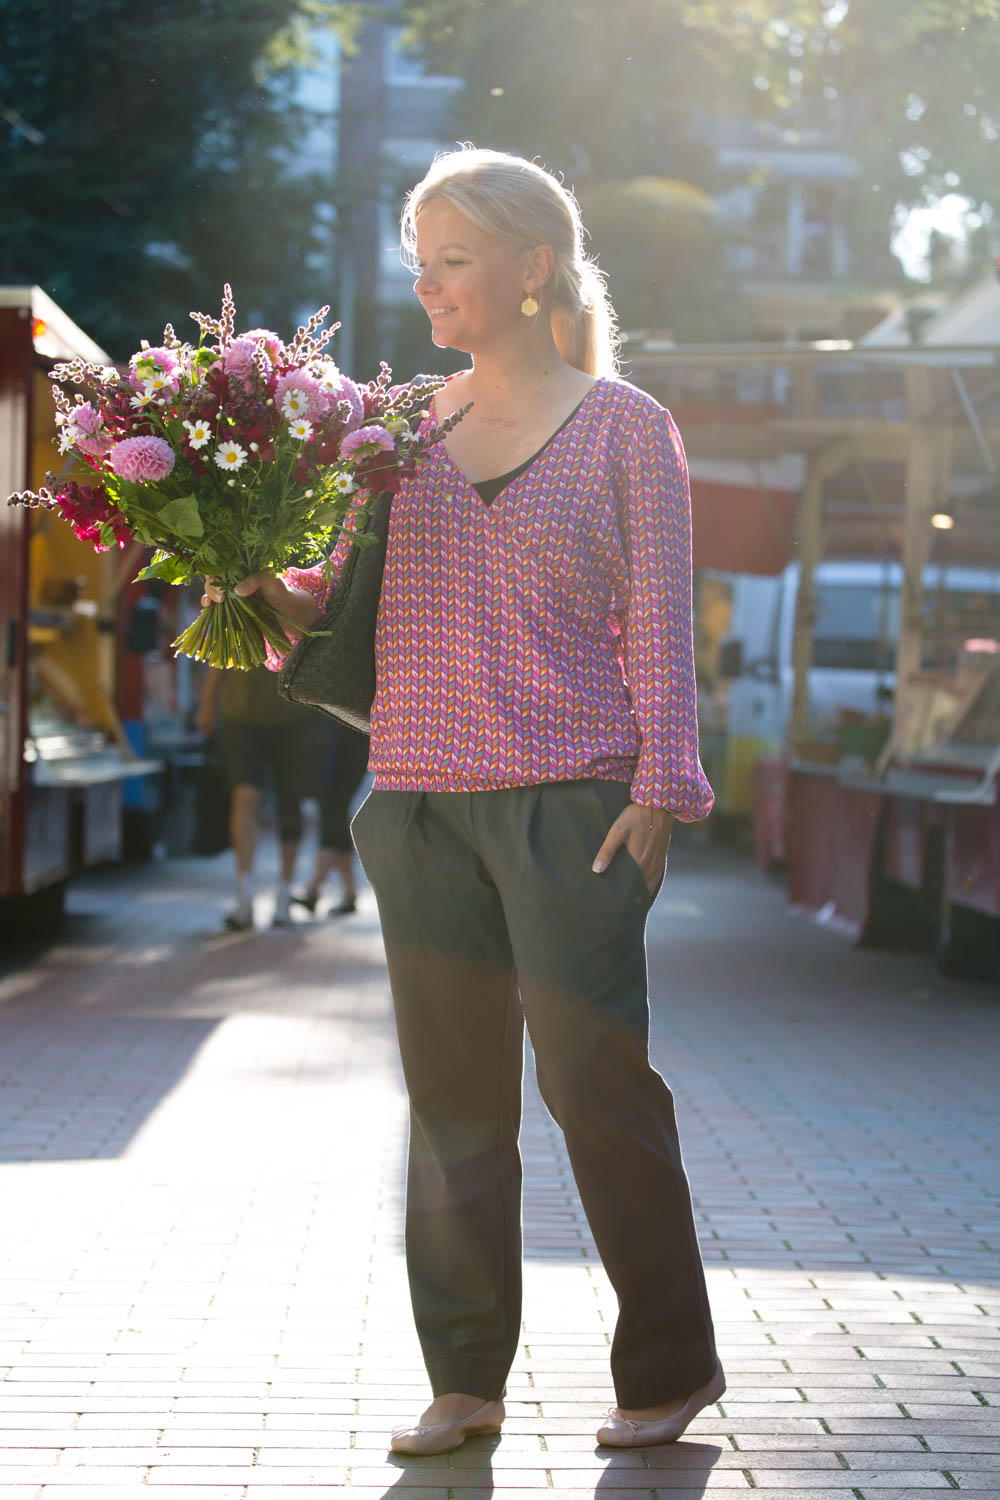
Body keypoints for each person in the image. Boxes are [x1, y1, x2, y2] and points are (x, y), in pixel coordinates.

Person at [204, 146, 723, 1452]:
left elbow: (659, 628)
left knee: (596, 1083)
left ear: (531, 267)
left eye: (452, 261)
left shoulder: (626, 430)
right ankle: (465, 1382)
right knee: (452, 1103)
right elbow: (324, 609)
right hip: (420, 804)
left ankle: (668, 1361)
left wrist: (661, 790)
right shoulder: (402, 429)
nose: (427, 288)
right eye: (418, 263)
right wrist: (227, 568)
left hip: (572, 807)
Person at [197, 665, 322, 930]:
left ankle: (285, 895)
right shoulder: (236, 620)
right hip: (241, 717)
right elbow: (220, 657)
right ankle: (245, 896)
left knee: (290, 806)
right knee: (245, 797)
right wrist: (207, 704)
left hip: (294, 715)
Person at [292, 722, 370, 917]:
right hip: (345, 747)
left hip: (341, 753)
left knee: (333, 821)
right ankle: (349, 894)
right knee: (337, 822)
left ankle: (313, 890)